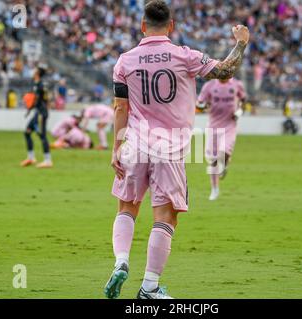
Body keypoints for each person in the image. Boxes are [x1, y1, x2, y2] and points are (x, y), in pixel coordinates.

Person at [104, 0, 249, 299]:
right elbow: (225, 71)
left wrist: (117, 148)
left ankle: (121, 262)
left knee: (127, 207)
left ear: (143, 26)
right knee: (165, 217)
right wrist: (241, 43)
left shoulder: (125, 61)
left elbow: (121, 106)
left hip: (134, 145)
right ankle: (149, 287)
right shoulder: (185, 55)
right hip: (169, 150)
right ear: (171, 26)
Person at [197, 77, 247, 201]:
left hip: (229, 125)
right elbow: (199, 104)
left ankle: (224, 165)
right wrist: (203, 106)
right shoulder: (209, 86)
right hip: (213, 127)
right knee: (212, 161)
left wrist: (239, 112)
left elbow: (244, 101)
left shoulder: (236, 84)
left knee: (223, 153)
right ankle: (214, 189)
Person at [20, 66, 53, 168]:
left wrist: (43, 111)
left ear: (37, 73)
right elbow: (37, 99)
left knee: (42, 136)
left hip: (40, 113)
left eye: (35, 71)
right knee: (27, 132)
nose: (33, 72)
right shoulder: (36, 84)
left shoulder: (41, 85)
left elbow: (41, 99)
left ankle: (48, 161)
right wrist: (30, 110)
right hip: (37, 112)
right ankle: (31, 158)